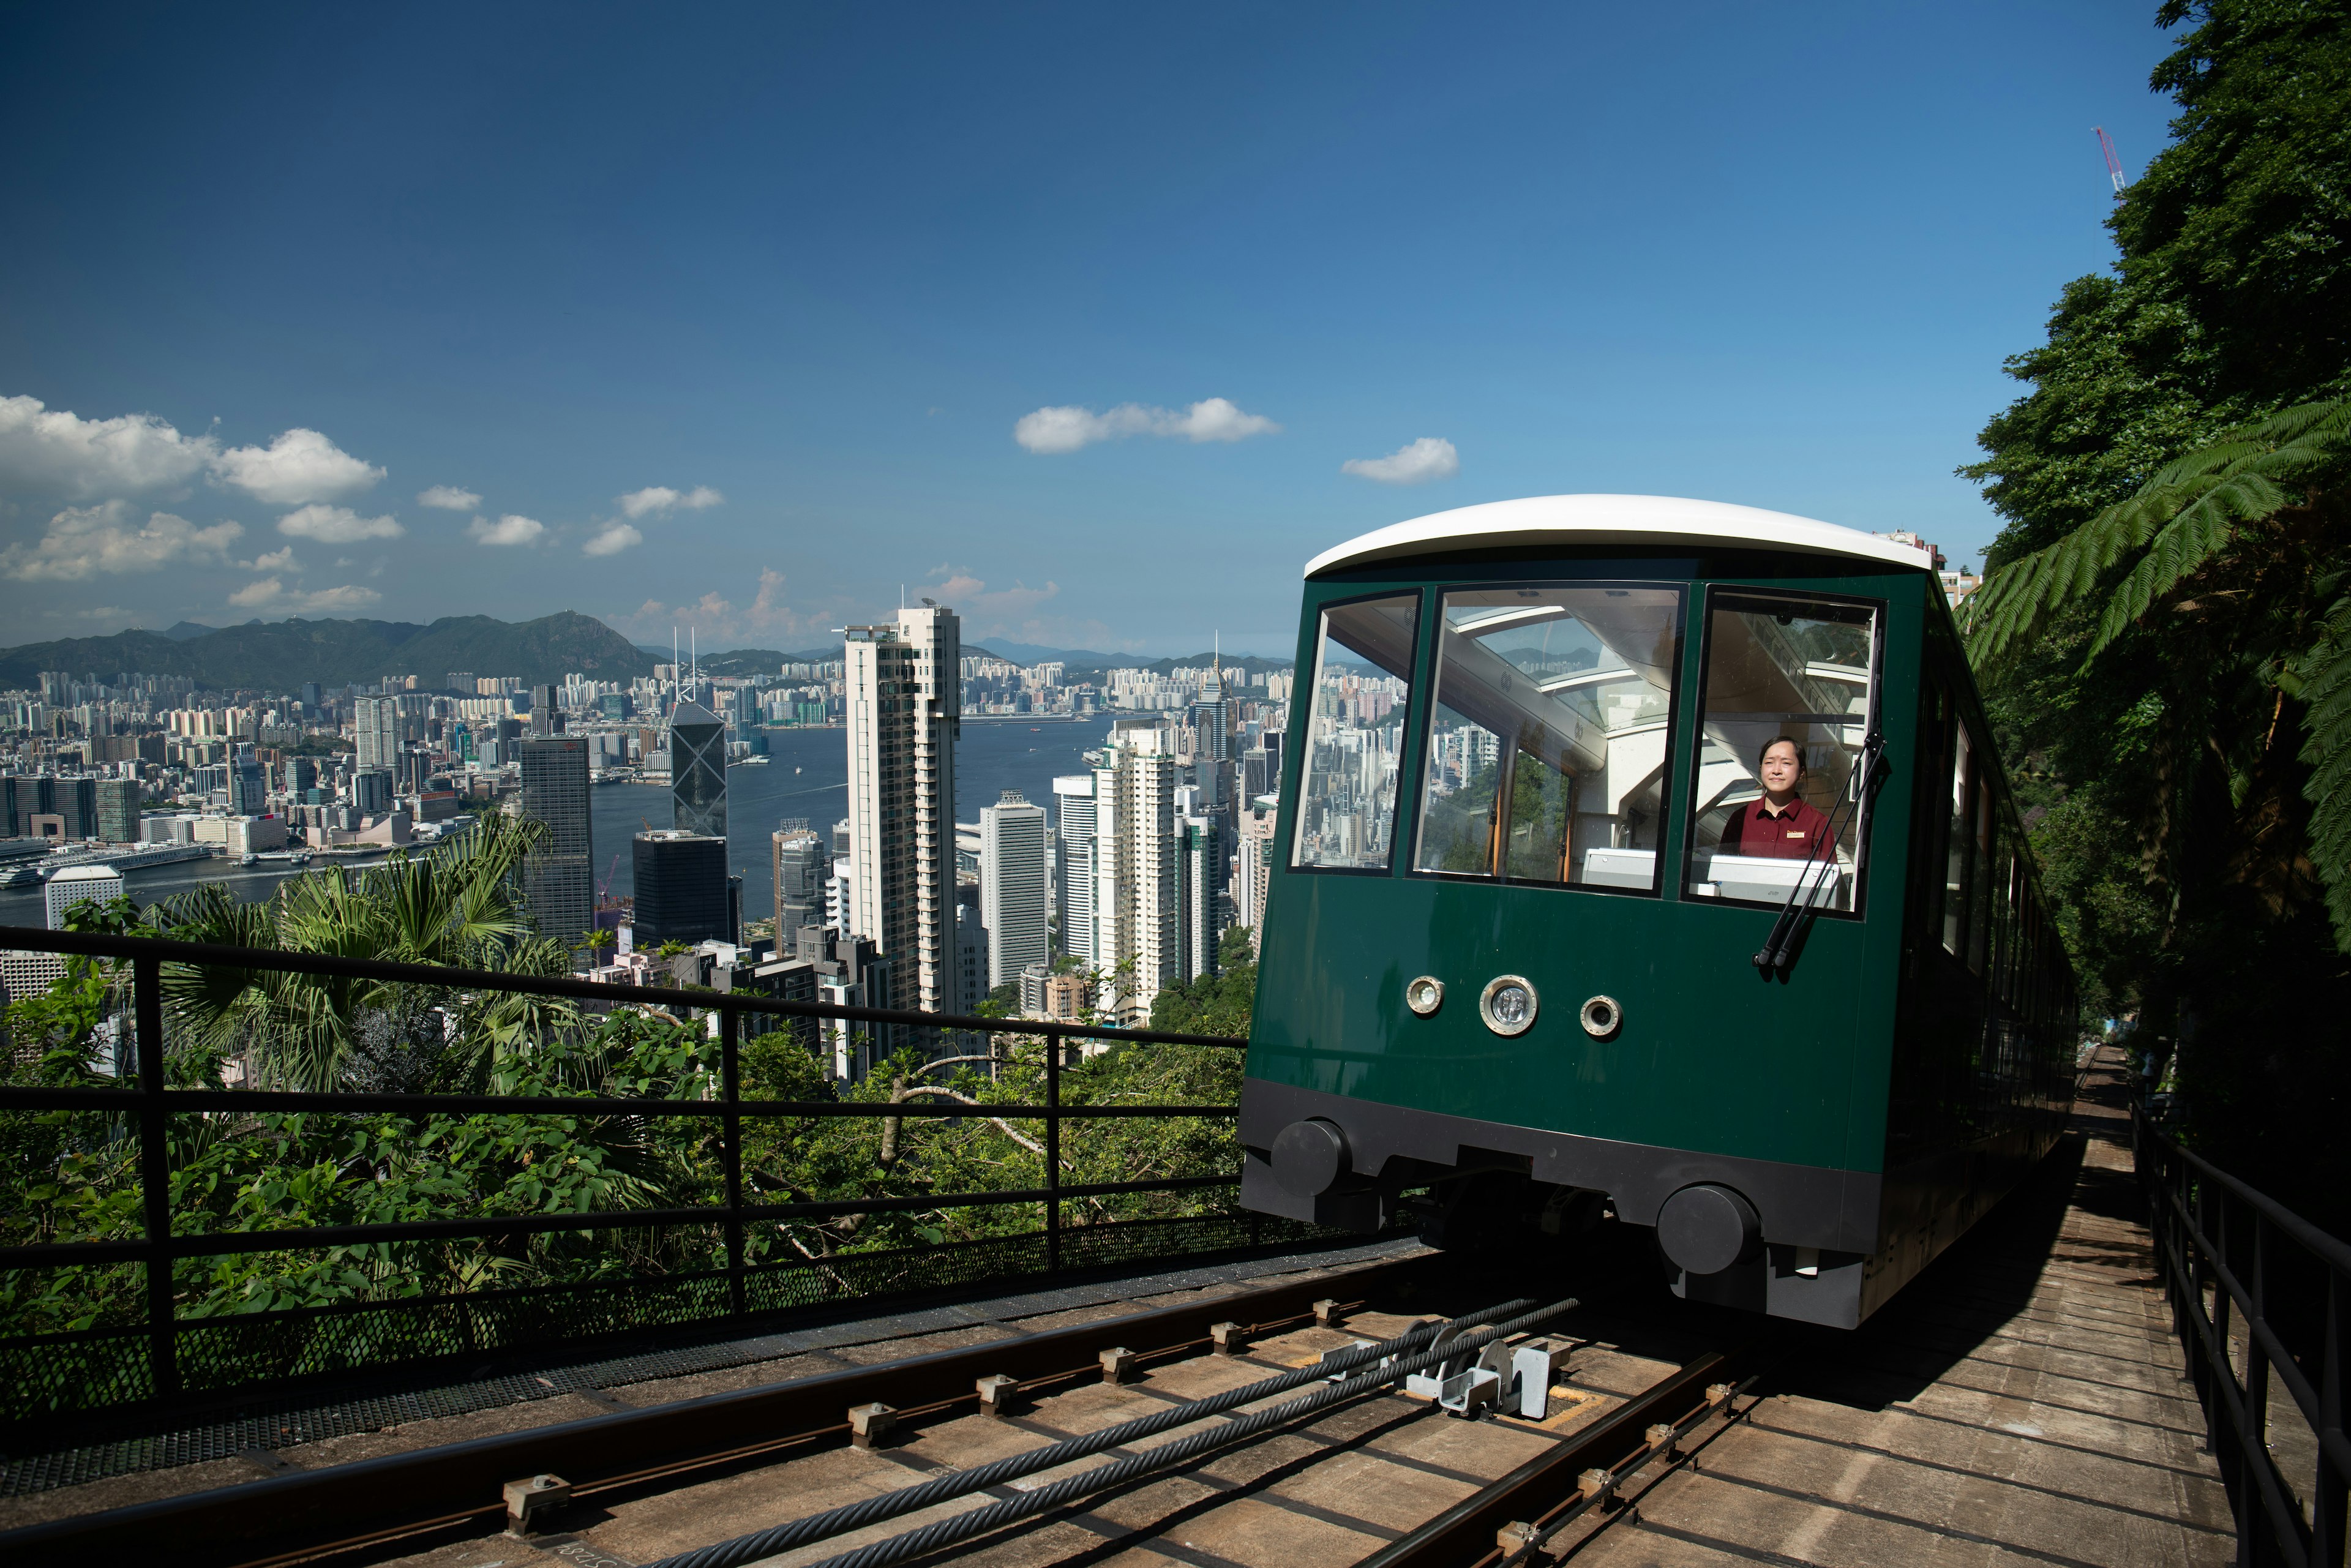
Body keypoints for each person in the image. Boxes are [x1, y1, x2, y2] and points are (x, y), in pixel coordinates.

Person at [1723, 737, 1831, 859]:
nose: (1776, 771)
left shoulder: (1817, 823)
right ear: (1761, 768)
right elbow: (1721, 871)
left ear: (1801, 772)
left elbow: (1828, 876)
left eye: (1786, 763)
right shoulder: (1740, 819)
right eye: (1769, 762)